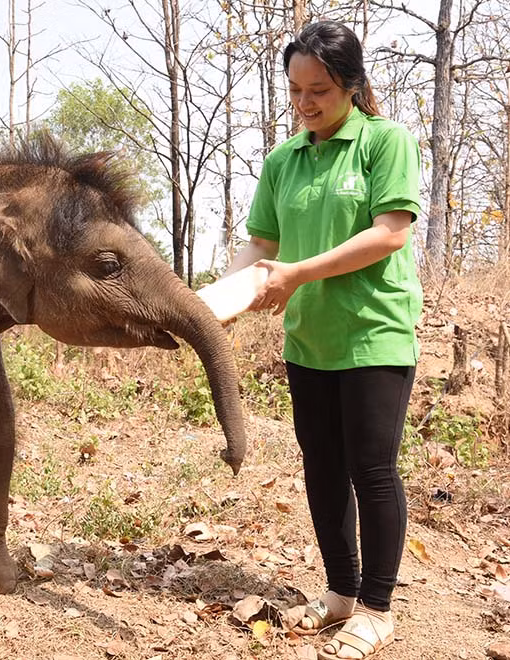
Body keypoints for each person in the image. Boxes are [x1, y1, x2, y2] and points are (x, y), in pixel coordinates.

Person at [225, 20, 422, 660]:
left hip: (374, 334)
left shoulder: (384, 142)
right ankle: (340, 593)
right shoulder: (285, 159)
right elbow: (262, 244)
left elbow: (390, 232)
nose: (306, 104)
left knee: (372, 468)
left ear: (351, 86)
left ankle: (377, 608)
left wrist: (299, 273)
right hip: (308, 339)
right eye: (295, 91)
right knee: (322, 467)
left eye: (321, 91)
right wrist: (214, 299)